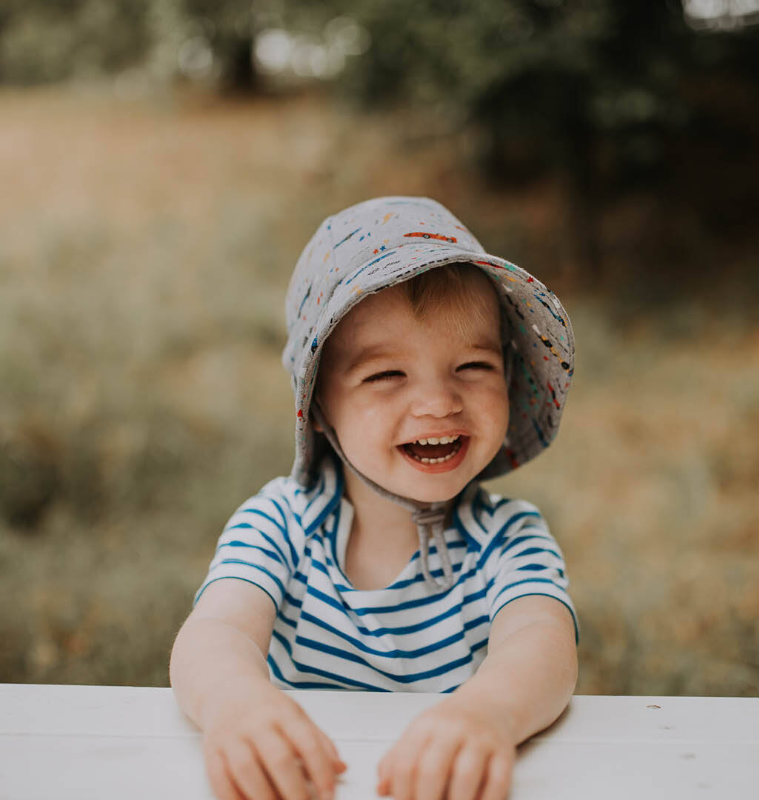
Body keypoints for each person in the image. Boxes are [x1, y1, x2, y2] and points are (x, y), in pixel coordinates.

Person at [170, 196, 579, 800]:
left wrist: (487, 714)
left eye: (473, 365)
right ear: (319, 409)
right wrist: (237, 706)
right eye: (386, 375)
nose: (440, 403)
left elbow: (543, 644)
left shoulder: (508, 537)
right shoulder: (281, 521)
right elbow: (215, 633)